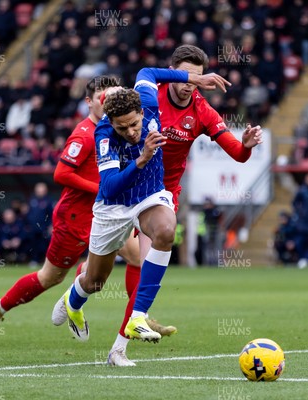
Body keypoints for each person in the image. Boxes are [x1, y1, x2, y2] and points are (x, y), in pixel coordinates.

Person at [0, 76, 183, 352]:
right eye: (103, 95)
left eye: (113, 93)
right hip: (76, 216)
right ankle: (0, 305)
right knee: (50, 277)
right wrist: (101, 185)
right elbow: (62, 173)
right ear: (92, 101)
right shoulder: (86, 134)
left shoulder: (122, 123)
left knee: (137, 257)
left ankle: (138, 316)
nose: (108, 98)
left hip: (112, 211)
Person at [103, 45, 263, 365]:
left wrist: (245, 147)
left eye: (197, 77)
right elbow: (143, 74)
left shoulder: (203, 112)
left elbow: (237, 154)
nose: (191, 83)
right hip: (126, 184)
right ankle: (76, 296)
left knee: (157, 246)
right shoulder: (149, 94)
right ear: (174, 71)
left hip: (161, 194)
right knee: (95, 278)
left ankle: (122, 343)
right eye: (186, 75)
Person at [51, 67, 226, 345]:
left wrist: (193, 78)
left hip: (149, 196)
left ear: (143, 112)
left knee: (166, 231)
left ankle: (138, 317)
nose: (131, 132)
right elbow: (108, 187)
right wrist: (141, 159)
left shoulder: (147, 99)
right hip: (114, 207)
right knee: (95, 281)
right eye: (123, 127)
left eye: (134, 124)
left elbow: (147, 71)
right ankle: (73, 300)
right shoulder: (104, 134)